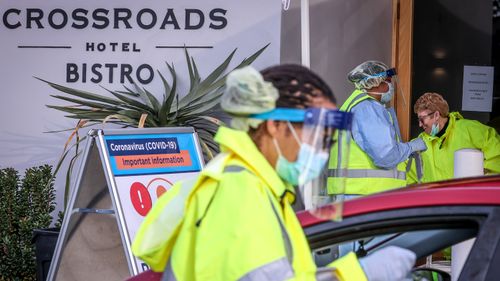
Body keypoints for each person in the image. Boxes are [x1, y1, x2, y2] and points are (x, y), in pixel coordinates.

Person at [132, 64, 416, 281]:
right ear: (275, 127)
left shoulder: (254, 186)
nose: (321, 143)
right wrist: (359, 274)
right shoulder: (241, 194)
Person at [327, 61, 427, 197]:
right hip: (363, 196)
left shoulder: (353, 105)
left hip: (353, 194)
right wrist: (411, 147)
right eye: (388, 82)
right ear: (375, 83)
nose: (391, 86)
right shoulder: (368, 109)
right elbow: (385, 156)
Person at [407, 92, 500, 184]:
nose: (420, 124)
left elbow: (496, 153)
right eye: (418, 120)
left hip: (468, 198)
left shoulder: (469, 130)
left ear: (436, 115)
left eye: (422, 119)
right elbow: (408, 175)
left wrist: (485, 182)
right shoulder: (420, 143)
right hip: (434, 198)